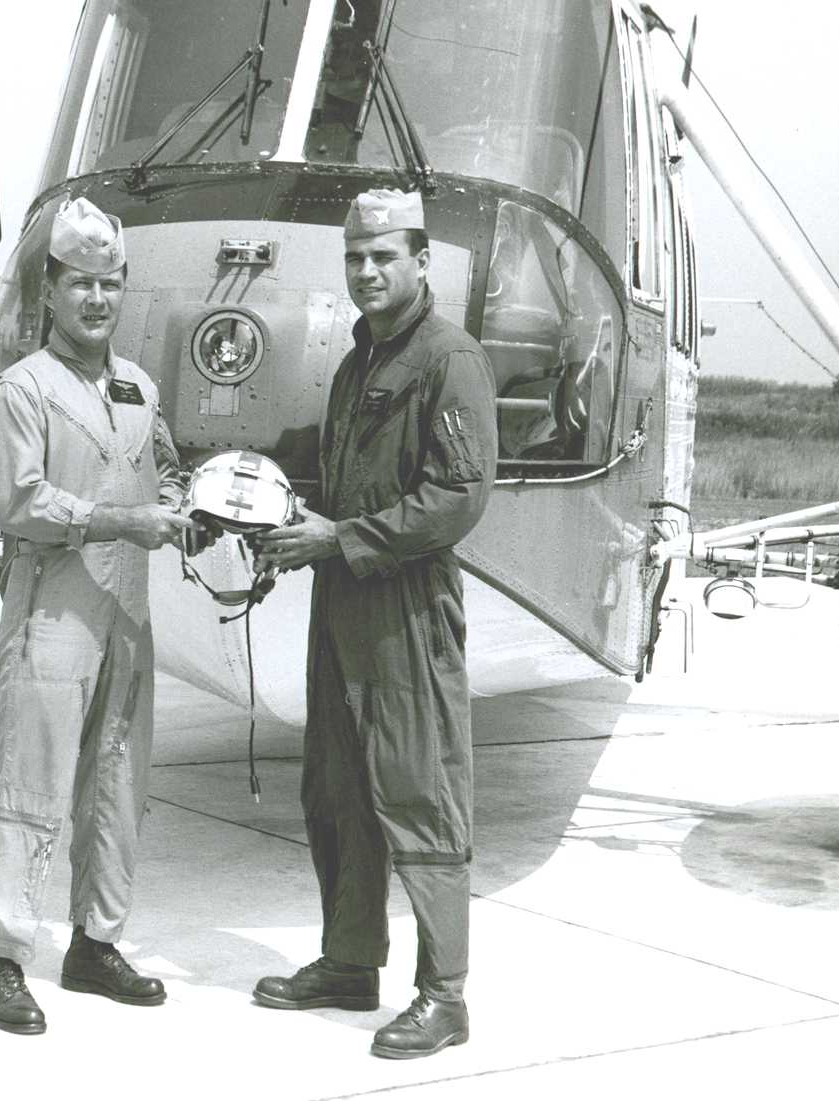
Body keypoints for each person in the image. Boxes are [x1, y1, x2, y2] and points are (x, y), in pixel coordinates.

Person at [251, 188, 497, 1059]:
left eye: (383, 256)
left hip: (404, 605)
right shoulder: (359, 360)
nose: (366, 271)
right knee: (337, 787)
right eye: (355, 257)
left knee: (417, 790)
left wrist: (343, 538)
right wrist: (248, 482)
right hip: (341, 596)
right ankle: (351, 962)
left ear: (420, 262)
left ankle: (445, 994)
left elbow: (457, 496)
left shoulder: (447, 357)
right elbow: (328, 464)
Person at [0, 196, 200, 1035]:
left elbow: (168, 466)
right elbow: (22, 503)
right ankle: (3, 958)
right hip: (51, 618)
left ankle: (94, 943)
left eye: (110, 284)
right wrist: (126, 521)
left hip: (126, 620)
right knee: (28, 784)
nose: (97, 300)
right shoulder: (20, 391)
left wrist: (177, 501)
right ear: (50, 291)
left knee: (116, 784)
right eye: (80, 284)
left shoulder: (138, 386)